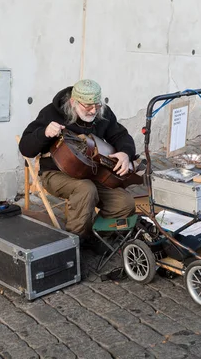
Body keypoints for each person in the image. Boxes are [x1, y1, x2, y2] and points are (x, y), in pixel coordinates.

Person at [19, 79, 137, 242]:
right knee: (86, 190)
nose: (93, 110)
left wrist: (126, 153)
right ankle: (76, 242)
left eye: (97, 105)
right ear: (73, 102)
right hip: (56, 173)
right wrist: (44, 133)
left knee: (125, 203)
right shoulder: (52, 113)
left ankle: (97, 238)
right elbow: (25, 148)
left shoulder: (102, 113)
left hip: (92, 172)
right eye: (88, 106)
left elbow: (121, 135)